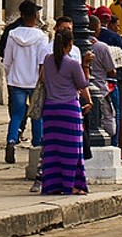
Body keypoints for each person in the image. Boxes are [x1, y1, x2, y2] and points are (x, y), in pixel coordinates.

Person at [38, 25, 92, 195]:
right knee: (72, 151)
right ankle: (71, 185)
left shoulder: (47, 60)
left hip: (51, 110)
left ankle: (53, 185)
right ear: (70, 44)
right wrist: (86, 65)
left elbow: (43, 79)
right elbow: (83, 84)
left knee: (52, 150)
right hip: (69, 109)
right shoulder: (72, 64)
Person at [1, 0, 48, 164]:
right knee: (37, 115)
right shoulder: (41, 37)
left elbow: (7, 60)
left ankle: (11, 140)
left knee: (16, 114)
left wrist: (10, 75)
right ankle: (37, 144)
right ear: (35, 16)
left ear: (21, 15)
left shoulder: (13, 35)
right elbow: (43, 61)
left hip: (16, 80)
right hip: (34, 80)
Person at [94, 6, 122, 159]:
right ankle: (115, 145)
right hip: (113, 82)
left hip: (97, 83)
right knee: (115, 114)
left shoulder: (84, 39)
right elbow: (121, 63)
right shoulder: (115, 39)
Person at [85, 15, 120, 142]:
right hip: (100, 89)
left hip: (84, 90)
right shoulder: (102, 47)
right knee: (108, 120)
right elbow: (111, 71)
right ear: (96, 29)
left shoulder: (76, 46)